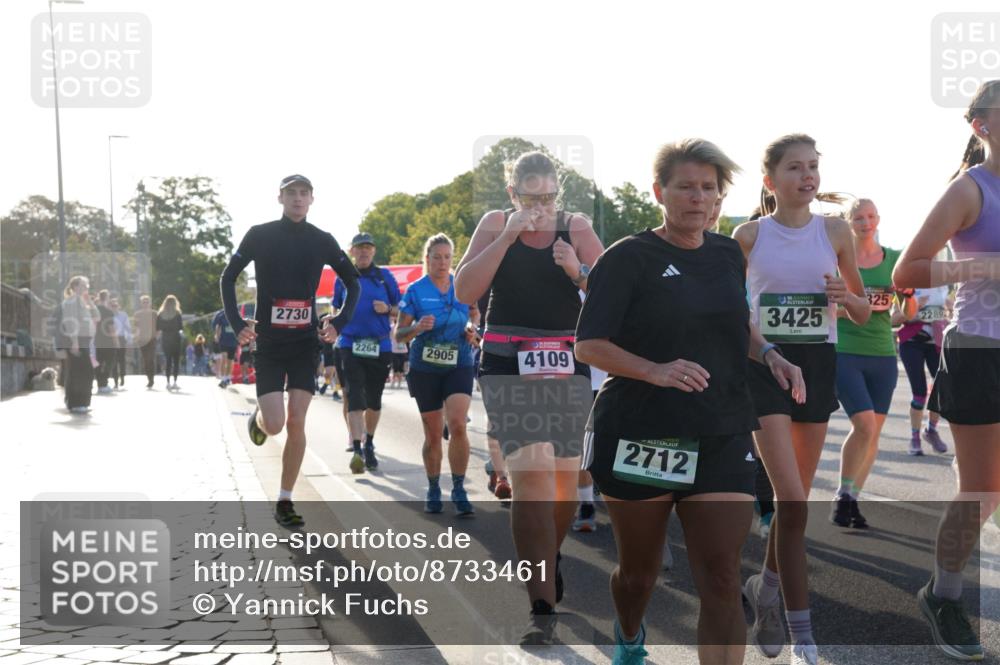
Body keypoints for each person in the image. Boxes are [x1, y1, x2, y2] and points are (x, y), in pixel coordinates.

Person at [577, 139, 805, 665]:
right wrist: (655, 370)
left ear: (720, 197)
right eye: (686, 187)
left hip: (721, 428)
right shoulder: (627, 258)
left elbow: (735, 324)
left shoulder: (726, 253)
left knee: (722, 575)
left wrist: (770, 353)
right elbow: (588, 345)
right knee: (639, 574)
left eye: (708, 188)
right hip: (640, 431)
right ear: (660, 192)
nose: (698, 198)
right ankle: (629, 637)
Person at [455, 150, 604, 644]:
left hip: (565, 360)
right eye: (531, 197)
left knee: (563, 483)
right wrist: (506, 238)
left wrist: (577, 270)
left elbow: (613, 292)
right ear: (512, 193)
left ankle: (549, 553)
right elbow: (465, 290)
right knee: (530, 476)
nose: (541, 207)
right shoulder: (496, 223)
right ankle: (541, 608)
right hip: (507, 360)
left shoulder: (576, 226)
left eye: (549, 196)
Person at [733, 134, 870, 665]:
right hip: (764, 365)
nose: (807, 175)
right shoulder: (748, 236)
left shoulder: (835, 231)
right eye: (795, 167)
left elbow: (863, 310)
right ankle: (802, 637)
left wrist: (845, 295)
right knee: (789, 498)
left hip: (816, 365)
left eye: (813, 166)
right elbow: (731, 312)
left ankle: (764, 590)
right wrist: (764, 350)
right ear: (770, 180)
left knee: (796, 506)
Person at [893, 79, 1000, 662]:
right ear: (982, 125)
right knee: (982, 488)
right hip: (980, 348)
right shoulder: (969, 190)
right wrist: (985, 267)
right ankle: (945, 595)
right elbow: (908, 271)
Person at [221, 174, 360, 527]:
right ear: (280, 198)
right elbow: (228, 276)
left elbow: (353, 281)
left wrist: (339, 322)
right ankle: (259, 418)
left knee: (297, 420)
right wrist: (237, 323)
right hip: (269, 344)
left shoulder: (322, 240)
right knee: (275, 424)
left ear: (312, 199)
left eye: (304, 193)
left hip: (304, 344)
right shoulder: (260, 235)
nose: (298, 199)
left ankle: (284, 499)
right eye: (291, 193)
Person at [832, 198, 918, 527]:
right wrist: (856, 308)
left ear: (878, 220)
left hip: (882, 354)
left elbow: (908, 314)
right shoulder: (838, 261)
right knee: (864, 425)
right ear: (848, 223)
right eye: (858, 218)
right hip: (845, 351)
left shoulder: (895, 260)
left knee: (872, 435)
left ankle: (852, 498)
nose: (865, 223)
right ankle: (843, 494)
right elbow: (824, 308)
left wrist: (907, 296)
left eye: (870, 217)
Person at [396, 234, 478, 515]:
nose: (442, 263)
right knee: (432, 435)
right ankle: (433, 487)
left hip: (459, 362)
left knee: (457, 424)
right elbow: (399, 334)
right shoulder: (415, 291)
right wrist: (417, 327)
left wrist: (472, 329)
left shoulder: (463, 285)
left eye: (447, 257)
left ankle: (459, 488)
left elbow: (474, 314)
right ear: (427, 259)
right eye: (437, 257)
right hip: (425, 368)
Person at [333, 232, 401, 474]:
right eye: (359, 248)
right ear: (352, 251)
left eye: (368, 248)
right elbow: (335, 308)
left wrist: (387, 309)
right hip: (350, 344)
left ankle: (369, 442)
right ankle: (357, 448)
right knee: (354, 395)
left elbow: (401, 309)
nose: (364, 252)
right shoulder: (343, 277)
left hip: (379, 345)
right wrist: (333, 324)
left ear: (373, 251)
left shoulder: (384, 277)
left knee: (374, 399)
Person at [895, 282, 952, 455]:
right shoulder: (908, 285)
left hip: (936, 343)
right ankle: (915, 438)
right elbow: (893, 319)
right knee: (919, 394)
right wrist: (916, 310)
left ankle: (931, 430)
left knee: (942, 389)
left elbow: (948, 314)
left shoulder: (942, 286)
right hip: (912, 343)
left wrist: (948, 313)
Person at [60, 275, 100, 413]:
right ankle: (77, 403)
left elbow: (97, 317)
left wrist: (91, 302)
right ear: (75, 287)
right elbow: (70, 322)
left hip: (84, 340)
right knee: (80, 371)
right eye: (83, 285)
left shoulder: (82, 301)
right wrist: (74, 341)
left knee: (83, 371)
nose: (86, 288)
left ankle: (79, 403)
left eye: (87, 285)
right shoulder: (71, 301)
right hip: (77, 340)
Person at [92, 289, 118, 395]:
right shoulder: (108, 312)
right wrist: (116, 341)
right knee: (109, 362)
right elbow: (111, 328)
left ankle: (100, 384)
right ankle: (104, 383)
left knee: (98, 362)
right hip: (108, 341)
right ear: (107, 298)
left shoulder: (94, 310)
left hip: (97, 340)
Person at [156, 295, 184, 391]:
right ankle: (175, 382)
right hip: (176, 339)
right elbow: (181, 327)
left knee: (168, 361)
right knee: (176, 362)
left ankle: (168, 382)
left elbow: (158, 328)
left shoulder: (160, 314)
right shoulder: (177, 314)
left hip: (165, 339)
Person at [133, 295, 157, 388]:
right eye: (144, 302)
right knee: (146, 360)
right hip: (142, 339)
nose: (145, 304)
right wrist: (136, 336)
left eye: (147, 302)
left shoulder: (154, 313)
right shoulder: (137, 314)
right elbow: (136, 327)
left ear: (150, 303)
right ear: (141, 303)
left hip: (152, 339)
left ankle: (152, 379)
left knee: (151, 359)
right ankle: (149, 378)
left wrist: (157, 335)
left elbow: (158, 326)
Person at [109, 297, 131, 390]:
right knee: (114, 361)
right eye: (112, 306)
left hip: (121, 339)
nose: (114, 307)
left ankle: (122, 377)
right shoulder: (108, 316)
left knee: (121, 360)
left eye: (115, 305)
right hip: (111, 339)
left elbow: (128, 327)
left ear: (119, 306)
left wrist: (129, 340)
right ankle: (115, 381)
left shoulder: (123, 315)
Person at [213, 308, 238, 388]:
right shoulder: (221, 315)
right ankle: (223, 378)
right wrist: (217, 335)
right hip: (224, 341)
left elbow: (239, 327)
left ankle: (227, 377)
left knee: (230, 361)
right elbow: (218, 326)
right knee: (224, 358)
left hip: (233, 342)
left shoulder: (236, 314)